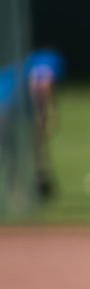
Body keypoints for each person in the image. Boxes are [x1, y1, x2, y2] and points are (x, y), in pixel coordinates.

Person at [0, 47, 65, 199]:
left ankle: (24, 187)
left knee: (15, 149)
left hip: (11, 105)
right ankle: (25, 187)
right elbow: (41, 82)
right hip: (4, 104)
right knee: (12, 149)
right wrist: (47, 112)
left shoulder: (33, 62)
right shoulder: (51, 60)